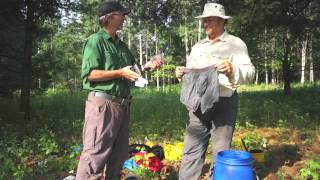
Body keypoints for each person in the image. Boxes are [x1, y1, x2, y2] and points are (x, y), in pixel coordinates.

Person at [76, 1, 163, 179]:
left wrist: (147, 66)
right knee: (95, 155)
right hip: (103, 106)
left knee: (118, 156)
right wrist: (119, 72)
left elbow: (131, 72)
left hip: (123, 106)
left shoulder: (121, 46)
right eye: (122, 14)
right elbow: (89, 75)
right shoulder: (96, 41)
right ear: (110, 17)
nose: (124, 18)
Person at [175, 2, 255, 180]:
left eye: (209, 20)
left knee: (221, 152)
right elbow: (192, 74)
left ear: (221, 21)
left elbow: (250, 74)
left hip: (224, 102)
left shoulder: (236, 44)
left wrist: (232, 68)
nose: (205, 24)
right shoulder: (197, 47)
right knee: (191, 150)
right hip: (196, 104)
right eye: (204, 21)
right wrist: (181, 74)